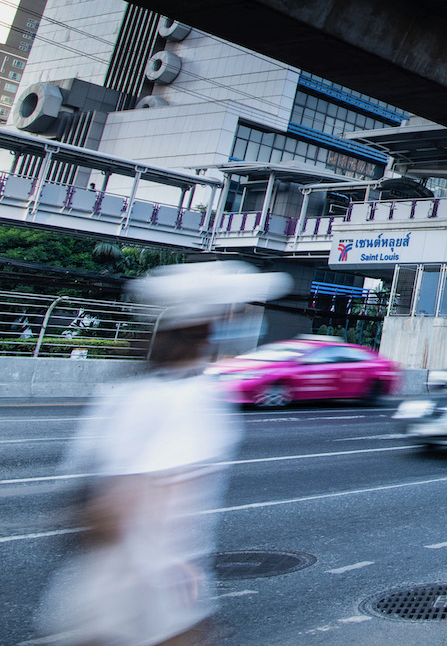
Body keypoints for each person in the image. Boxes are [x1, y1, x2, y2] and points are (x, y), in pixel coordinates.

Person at [36, 262, 288, 646]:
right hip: (143, 601)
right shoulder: (191, 400)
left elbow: (85, 503)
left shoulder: (126, 392)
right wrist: (180, 613)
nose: (243, 321)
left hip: (96, 591)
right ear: (209, 325)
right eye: (235, 312)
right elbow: (129, 512)